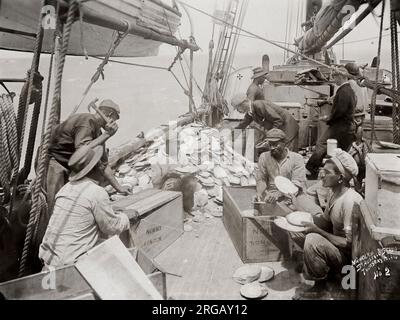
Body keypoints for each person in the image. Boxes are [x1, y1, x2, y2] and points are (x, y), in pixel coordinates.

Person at [39, 145, 137, 268]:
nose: (103, 166)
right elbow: (112, 227)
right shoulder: (96, 192)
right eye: (100, 163)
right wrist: (127, 216)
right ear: (94, 168)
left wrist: (110, 211)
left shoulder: (65, 190)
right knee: (121, 253)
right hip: (70, 262)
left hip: (49, 259)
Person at [292, 149, 362, 299]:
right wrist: (298, 215)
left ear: (340, 178)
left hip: (350, 260)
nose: (321, 175)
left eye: (327, 172)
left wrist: (317, 231)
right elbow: (325, 221)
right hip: (336, 247)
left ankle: (320, 287)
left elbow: (350, 245)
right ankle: (322, 268)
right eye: (322, 170)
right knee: (295, 229)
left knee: (312, 240)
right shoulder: (333, 192)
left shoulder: (350, 201)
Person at [47, 99, 130, 215]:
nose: (114, 123)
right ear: (109, 115)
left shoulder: (98, 134)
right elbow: (82, 150)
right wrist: (107, 134)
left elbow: (104, 165)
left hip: (69, 164)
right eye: (114, 119)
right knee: (55, 207)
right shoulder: (87, 120)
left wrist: (119, 188)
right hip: (54, 161)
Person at [306, 66, 357, 179]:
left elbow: (340, 111)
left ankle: (311, 170)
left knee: (322, 144)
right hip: (346, 126)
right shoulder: (349, 90)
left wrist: (327, 118)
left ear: (341, 77)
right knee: (341, 151)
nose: (334, 79)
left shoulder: (343, 91)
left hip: (339, 126)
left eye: (335, 77)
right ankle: (342, 173)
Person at [255, 129, 322, 215]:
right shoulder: (264, 157)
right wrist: (259, 193)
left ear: (285, 142)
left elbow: (296, 183)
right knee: (272, 215)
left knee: (315, 212)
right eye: (270, 144)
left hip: (295, 194)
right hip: (271, 195)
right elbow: (261, 179)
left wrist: (278, 194)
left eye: (275, 144)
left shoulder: (297, 158)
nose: (272, 147)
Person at [231, 94, 299, 151]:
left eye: (237, 108)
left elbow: (278, 120)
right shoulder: (250, 112)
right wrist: (230, 137)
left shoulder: (258, 105)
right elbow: (242, 125)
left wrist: (270, 136)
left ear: (243, 104)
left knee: (287, 152)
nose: (238, 111)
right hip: (282, 128)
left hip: (288, 127)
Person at [344, 62, 370, 133]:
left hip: (355, 115)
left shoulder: (350, 83)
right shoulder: (362, 83)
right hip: (363, 114)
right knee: (359, 135)